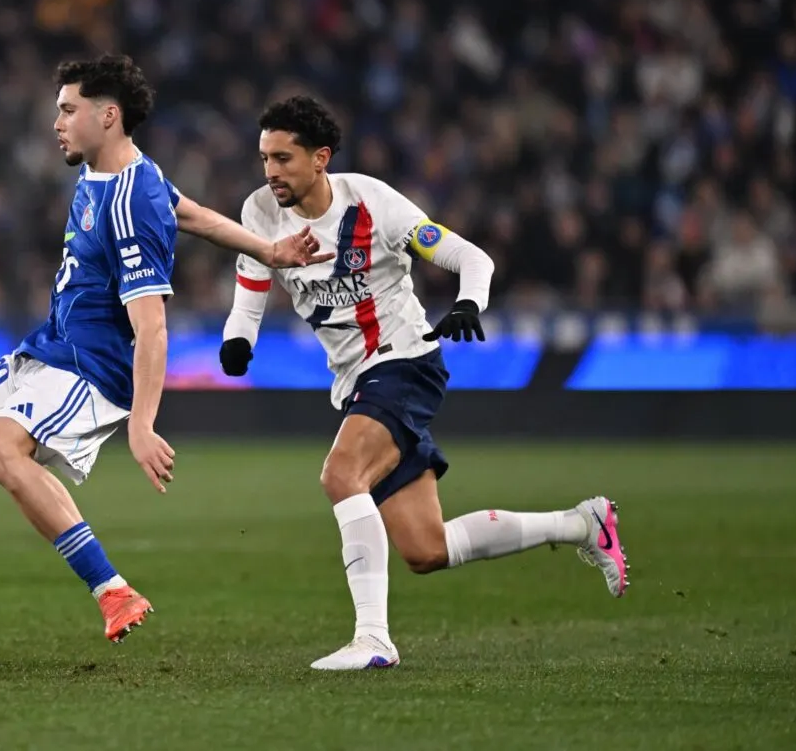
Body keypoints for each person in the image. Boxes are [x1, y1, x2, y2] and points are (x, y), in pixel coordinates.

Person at [0, 55, 329, 674]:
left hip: (90, 368)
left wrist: (143, 424)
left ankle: (112, 590)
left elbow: (152, 327)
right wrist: (269, 249)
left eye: (68, 110)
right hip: (46, 348)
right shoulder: (118, 176)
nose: (57, 122)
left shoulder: (128, 204)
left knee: (1, 450)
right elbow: (187, 211)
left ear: (107, 115)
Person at [218, 95, 628, 671]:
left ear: (320, 159)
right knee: (426, 548)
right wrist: (240, 340)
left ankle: (374, 639)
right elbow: (251, 284)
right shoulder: (260, 211)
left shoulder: (373, 204)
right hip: (355, 381)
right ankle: (584, 523)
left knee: (341, 475)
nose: (270, 171)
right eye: (264, 158)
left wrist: (468, 303)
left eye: (283, 158)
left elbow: (472, 258)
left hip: (404, 362)